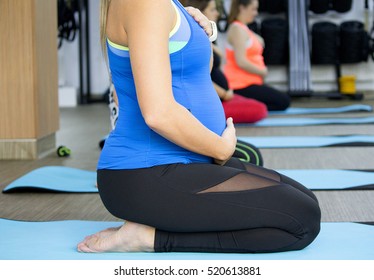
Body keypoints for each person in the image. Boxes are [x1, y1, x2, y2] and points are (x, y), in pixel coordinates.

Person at [78, 0, 320, 254]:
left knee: (306, 201)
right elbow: (158, 113)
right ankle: (147, 238)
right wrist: (220, 149)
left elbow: (195, 75)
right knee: (301, 220)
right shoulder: (144, 3)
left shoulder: (167, 4)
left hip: (187, 162)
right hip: (146, 172)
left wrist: (203, 33)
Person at [185, 0, 268, 124]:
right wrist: (223, 93)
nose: (217, 13)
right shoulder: (193, 40)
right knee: (260, 109)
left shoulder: (207, 38)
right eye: (212, 10)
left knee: (259, 107)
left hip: (223, 96)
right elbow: (195, 76)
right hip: (216, 98)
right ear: (200, 11)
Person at [224, 0, 291, 111]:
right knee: (283, 101)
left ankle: (250, 106)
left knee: (282, 101)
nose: (256, 13)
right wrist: (262, 71)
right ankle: (243, 107)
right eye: (253, 9)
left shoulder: (244, 29)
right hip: (240, 85)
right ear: (242, 8)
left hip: (251, 82)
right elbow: (241, 61)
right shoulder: (237, 29)